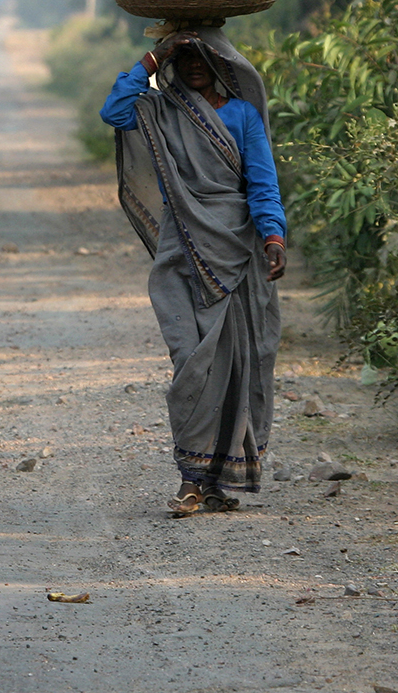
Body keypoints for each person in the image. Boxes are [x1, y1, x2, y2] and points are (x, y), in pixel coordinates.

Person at [100, 28, 286, 517]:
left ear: (223, 63)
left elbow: (262, 182)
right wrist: (150, 59)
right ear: (172, 66)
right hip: (180, 253)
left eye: (203, 55)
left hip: (236, 254)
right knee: (191, 363)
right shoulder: (160, 112)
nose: (195, 64)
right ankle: (192, 475)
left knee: (237, 367)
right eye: (184, 58)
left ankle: (206, 482)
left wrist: (273, 237)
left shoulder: (243, 116)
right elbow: (114, 111)